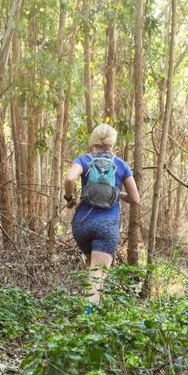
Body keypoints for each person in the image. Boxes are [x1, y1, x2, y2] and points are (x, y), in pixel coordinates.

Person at [63, 123, 141, 307]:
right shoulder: (120, 165)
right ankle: (88, 322)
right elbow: (135, 198)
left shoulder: (83, 160)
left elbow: (69, 179)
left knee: (91, 269)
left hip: (82, 224)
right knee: (97, 278)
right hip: (106, 226)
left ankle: (86, 310)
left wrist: (69, 198)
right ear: (112, 143)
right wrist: (115, 191)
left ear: (93, 141)